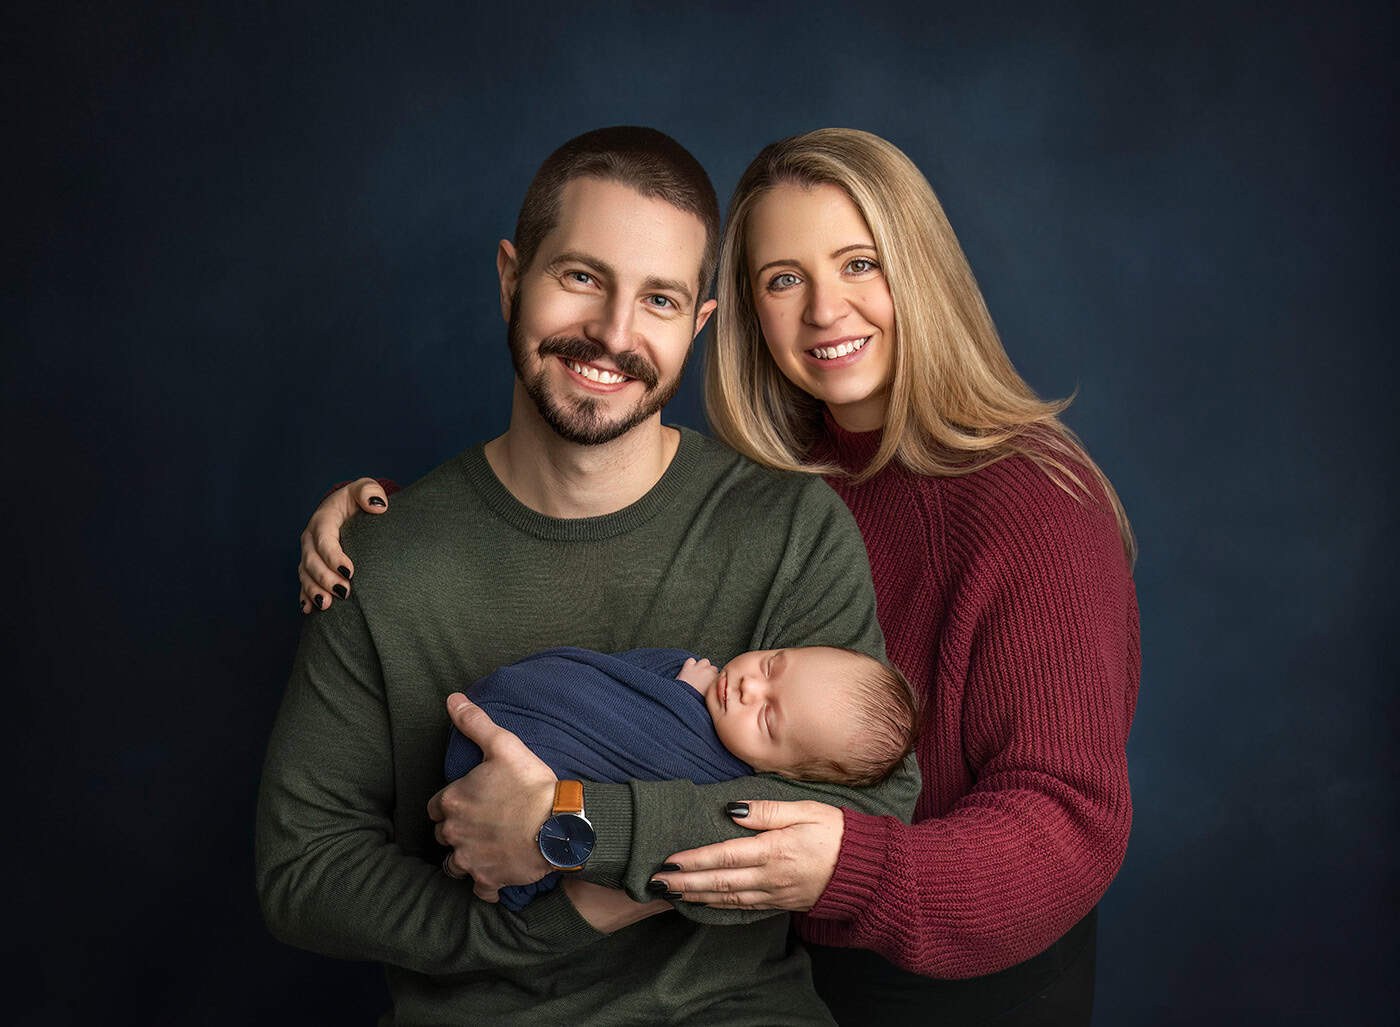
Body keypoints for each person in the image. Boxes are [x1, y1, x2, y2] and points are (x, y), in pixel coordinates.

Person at [301, 127, 1140, 1025]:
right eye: (784, 279)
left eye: (861, 264)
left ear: (922, 270)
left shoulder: (1034, 502)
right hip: (792, 947)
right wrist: (400, 516)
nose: (825, 311)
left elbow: (1066, 822)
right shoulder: (788, 489)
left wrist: (841, 866)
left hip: (964, 972)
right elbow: (577, 499)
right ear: (740, 311)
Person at [257, 125, 919, 1027]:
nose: (613, 333)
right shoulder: (378, 557)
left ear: (699, 323)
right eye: (581, 277)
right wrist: (535, 933)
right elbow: (305, 869)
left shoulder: (790, 529)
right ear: (508, 277)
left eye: (658, 299)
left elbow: (870, 807)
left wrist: (571, 826)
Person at [445, 644, 918, 911]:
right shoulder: (701, 680)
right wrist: (675, 692)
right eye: (773, 664)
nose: (752, 686)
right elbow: (608, 685)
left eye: (768, 720)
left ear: (780, 775)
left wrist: (678, 702)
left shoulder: (722, 778)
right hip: (498, 726)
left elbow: (647, 745)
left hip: (501, 777)